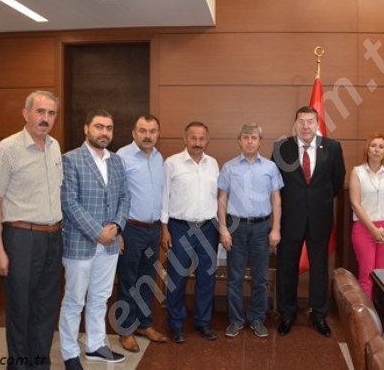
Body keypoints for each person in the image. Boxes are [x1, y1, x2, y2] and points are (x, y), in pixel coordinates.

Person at [0, 90, 63, 370]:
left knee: (46, 309)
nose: (45, 118)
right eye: (40, 111)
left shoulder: (54, 146)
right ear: (26, 113)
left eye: (51, 113)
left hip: (53, 237)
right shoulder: (8, 148)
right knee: (20, 310)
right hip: (21, 238)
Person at [58, 109, 131, 368]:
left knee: (101, 296)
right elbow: (69, 202)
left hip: (109, 244)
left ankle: (96, 345)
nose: (104, 132)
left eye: (109, 128)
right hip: (81, 243)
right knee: (74, 300)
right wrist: (97, 232)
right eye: (99, 126)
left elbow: (125, 197)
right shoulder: (70, 159)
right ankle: (69, 352)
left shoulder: (117, 161)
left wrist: (116, 227)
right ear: (86, 129)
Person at [271, 106, 346, 337]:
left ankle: (319, 315)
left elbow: (337, 179)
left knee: (320, 269)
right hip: (290, 218)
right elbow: (275, 184)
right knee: (287, 268)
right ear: (295, 124)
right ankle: (287, 314)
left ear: (317, 124)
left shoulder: (332, 147)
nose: (305, 126)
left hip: (319, 218)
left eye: (310, 121)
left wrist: (318, 199)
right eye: (301, 121)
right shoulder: (281, 148)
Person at [217, 123, 283, 338]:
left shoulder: (270, 168)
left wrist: (276, 228)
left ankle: (256, 318)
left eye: (253, 137)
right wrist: (223, 229)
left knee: (260, 278)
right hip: (235, 227)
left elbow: (276, 199)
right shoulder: (229, 167)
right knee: (235, 277)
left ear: (260, 142)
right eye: (245, 137)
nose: (249, 141)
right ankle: (236, 320)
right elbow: (222, 199)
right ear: (239, 141)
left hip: (262, 228)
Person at [161, 121, 220, 343]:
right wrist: (164, 228)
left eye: (201, 138)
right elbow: (164, 196)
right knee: (177, 277)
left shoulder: (213, 164)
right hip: (179, 227)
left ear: (207, 141)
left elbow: (217, 197)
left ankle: (203, 322)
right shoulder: (172, 163)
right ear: (185, 139)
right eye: (193, 138)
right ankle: (176, 324)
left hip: (208, 227)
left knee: (207, 277)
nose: (197, 142)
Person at [114, 115, 169, 352]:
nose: (148, 136)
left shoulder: (159, 158)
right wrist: (117, 230)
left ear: (158, 134)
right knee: (128, 280)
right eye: (143, 131)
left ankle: (144, 324)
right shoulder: (121, 157)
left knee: (147, 279)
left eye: (152, 131)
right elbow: (113, 194)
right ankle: (125, 330)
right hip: (130, 229)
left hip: (152, 229)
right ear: (134, 133)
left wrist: (163, 228)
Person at [349, 134, 384, 299]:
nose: (377, 150)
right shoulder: (357, 172)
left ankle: (381, 311)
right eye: (373, 146)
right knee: (366, 274)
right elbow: (355, 204)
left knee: (383, 275)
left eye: (381, 147)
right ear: (367, 149)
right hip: (364, 228)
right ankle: (368, 313)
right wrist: (373, 230)